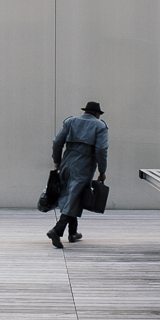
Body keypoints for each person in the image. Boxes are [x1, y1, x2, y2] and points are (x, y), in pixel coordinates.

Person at [47, 101, 108, 248]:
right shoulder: (100, 126)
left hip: (67, 162)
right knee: (75, 195)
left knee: (72, 194)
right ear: (96, 114)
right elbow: (101, 149)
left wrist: (57, 160)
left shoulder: (70, 121)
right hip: (84, 165)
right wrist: (102, 170)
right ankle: (57, 229)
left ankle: (72, 232)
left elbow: (57, 142)